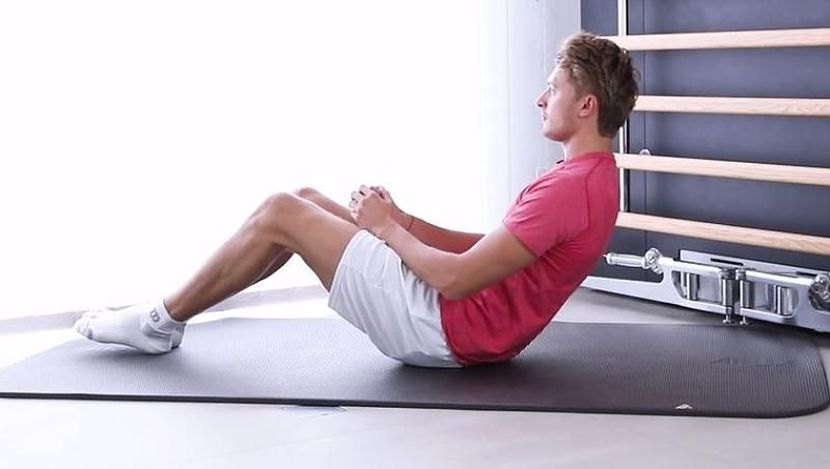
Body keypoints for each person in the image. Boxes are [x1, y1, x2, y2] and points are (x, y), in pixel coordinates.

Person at [75, 31, 639, 368]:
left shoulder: (567, 189)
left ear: (585, 106)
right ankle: (172, 318)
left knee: (279, 211)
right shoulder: (592, 179)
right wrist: (403, 220)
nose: (541, 98)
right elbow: (490, 249)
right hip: (470, 329)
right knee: (304, 198)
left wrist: (386, 229)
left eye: (553, 89)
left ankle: (158, 321)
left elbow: (457, 279)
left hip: (445, 326)